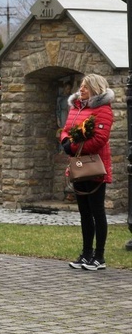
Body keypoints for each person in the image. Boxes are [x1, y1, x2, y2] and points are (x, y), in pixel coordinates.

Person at [60, 74, 114, 271]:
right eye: (81, 86)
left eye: (85, 87)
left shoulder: (103, 110)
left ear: (95, 88)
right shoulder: (76, 107)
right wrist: (65, 141)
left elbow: (100, 138)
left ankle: (99, 257)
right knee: (84, 212)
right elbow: (66, 129)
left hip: (95, 166)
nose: (81, 89)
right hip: (79, 166)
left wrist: (73, 148)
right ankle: (86, 253)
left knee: (97, 211)